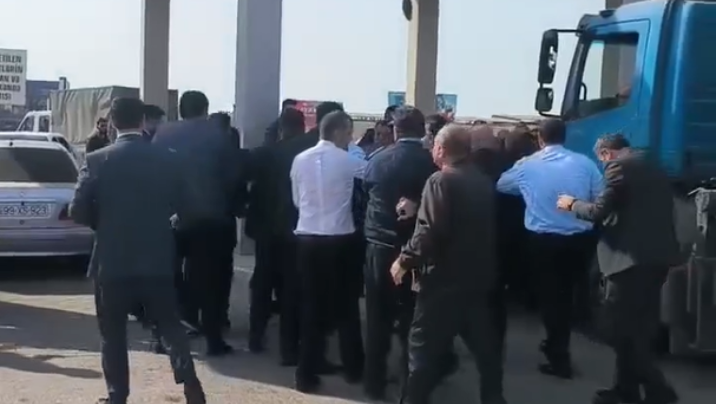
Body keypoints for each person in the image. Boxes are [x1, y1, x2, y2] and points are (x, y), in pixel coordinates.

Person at [69, 97, 205, 404]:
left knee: (113, 333)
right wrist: (167, 223)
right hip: (157, 259)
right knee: (170, 326)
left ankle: (117, 396)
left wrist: (104, 224)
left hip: (111, 261)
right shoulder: (167, 158)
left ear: (112, 124)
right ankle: (191, 384)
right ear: (143, 121)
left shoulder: (97, 160)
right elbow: (191, 207)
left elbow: (77, 210)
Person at [557, 134, 680, 404]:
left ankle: (659, 389)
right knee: (637, 330)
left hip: (628, 262)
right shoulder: (653, 165)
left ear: (605, 153)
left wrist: (572, 204)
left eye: (601, 160)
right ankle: (626, 390)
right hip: (656, 259)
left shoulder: (619, 168)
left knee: (618, 329)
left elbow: (598, 211)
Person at [391, 124, 506, 404]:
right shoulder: (481, 179)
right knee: (486, 352)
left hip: (442, 280)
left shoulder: (440, 180)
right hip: (477, 278)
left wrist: (404, 261)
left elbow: (431, 230)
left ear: (441, 149)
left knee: (421, 352)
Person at [497, 118, 602, 379]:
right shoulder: (585, 163)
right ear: (564, 137)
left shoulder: (528, 165)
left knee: (551, 298)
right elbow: (599, 194)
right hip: (580, 240)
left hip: (544, 242)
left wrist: (528, 184)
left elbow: (502, 185)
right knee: (569, 292)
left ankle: (558, 354)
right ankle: (561, 341)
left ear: (540, 139)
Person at [153, 90, 245, 356]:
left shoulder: (163, 135)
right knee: (214, 281)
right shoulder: (219, 135)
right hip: (213, 219)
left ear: (180, 110)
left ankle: (165, 337)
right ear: (205, 110)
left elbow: (155, 174)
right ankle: (213, 339)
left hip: (173, 220)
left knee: (169, 279)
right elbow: (233, 176)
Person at [361, 105, 437, 400]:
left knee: (377, 319)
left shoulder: (377, 160)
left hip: (379, 248)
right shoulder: (431, 163)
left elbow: (365, 193)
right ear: (422, 131)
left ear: (395, 130)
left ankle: (373, 383)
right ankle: (410, 388)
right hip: (416, 252)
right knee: (413, 322)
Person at [291, 110, 366, 393]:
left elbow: (297, 200)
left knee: (311, 306)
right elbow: (370, 175)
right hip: (340, 239)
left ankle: (306, 372)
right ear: (338, 132)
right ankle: (354, 367)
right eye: (348, 133)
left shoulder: (300, 159)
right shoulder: (348, 161)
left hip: (307, 238)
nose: (350, 138)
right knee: (346, 306)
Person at [247, 107, 306, 354]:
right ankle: (288, 346)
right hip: (294, 228)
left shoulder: (263, 153)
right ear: (302, 128)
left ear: (281, 128)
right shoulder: (305, 155)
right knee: (291, 287)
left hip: (265, 228)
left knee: (262, 283)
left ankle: (256, 337)